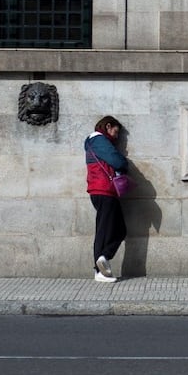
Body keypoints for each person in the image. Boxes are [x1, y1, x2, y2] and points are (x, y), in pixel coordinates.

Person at [85, 116, 130, 283]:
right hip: (103, 189)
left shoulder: (98, 141)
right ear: (108, 126)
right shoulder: (97, 139)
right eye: (115, 132)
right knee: (104, 229)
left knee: (119, 229)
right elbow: (116, 161)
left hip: (106, 190)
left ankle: (103, 260)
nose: (116, 137)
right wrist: (124, 162)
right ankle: (100, 269)